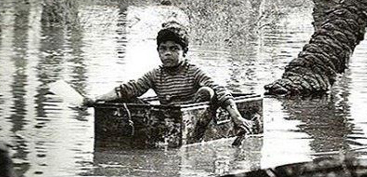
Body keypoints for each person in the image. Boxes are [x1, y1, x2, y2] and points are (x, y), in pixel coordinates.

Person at [83, 20, 253, 134]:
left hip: (190, 119)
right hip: (165, 121)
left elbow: (219, 90)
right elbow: (129, 89)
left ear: (184, 52)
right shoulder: (155, 75)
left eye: (173, 49)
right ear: (158, 51)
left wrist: (236, 116)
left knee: (207, 91)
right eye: (163, 49)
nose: (167, 53)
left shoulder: (193, 71)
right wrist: (96, 99)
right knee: (126, 98)